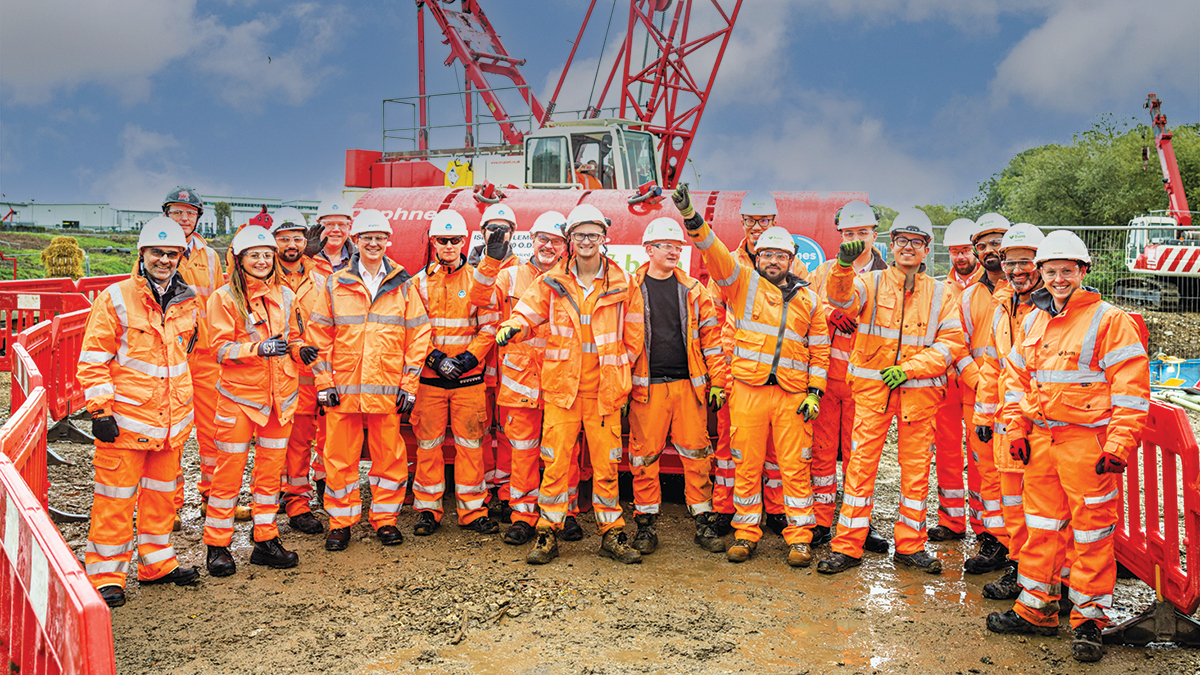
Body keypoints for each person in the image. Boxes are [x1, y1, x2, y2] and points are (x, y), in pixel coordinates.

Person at [987, 230, 1149, 663]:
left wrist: (1118, 444)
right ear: (1042, 273)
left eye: (1067, 270)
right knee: (1041, 528)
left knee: (1092, 533)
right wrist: (1016, 428)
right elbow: (1018, 380)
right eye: (1051, 271)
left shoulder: (1110, 319)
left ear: (1083, 271)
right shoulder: (1035, 320)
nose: (1059, 278)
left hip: (1087, 445)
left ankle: (1089, 620)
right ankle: (1036, 609)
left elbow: (1131, 390)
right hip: (1042, 440)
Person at [673, 185, 830, 566]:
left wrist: (815, 391)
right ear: (756, 256)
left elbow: (819, 349)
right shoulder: (740, 283)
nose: (773, 260)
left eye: (780, 255)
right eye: (767, 254)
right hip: (747, 391)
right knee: (746, 464)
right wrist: (692, 217)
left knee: (794, 467)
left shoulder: (808, 299)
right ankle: (746, 533)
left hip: (792, 396)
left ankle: (799, 538)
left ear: (791, 259)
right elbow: (714, 252)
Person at [817, 208, 969, 575]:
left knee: (915, 473)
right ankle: (848, 546)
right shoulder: (868, 284)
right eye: (902, 241)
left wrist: (910, 369)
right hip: (871, 394)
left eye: (916, 242)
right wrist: (841, 267)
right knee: (860, 470)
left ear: (926, 248)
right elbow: (841, 301)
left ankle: (910, 546)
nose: (908, 248)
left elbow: (951, 344)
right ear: (892, 244)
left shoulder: (940, 294)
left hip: (919, 395)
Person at [496, 203, 645, 565]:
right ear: (570, 240)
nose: (587, 241)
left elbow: (635, 335)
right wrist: (515, 326)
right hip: (563, 389)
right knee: (556, 462)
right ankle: (548, 533)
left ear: (604, 238)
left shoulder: (623, 283)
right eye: (580, 235)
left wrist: (621, 374)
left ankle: (612, 534)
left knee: (607, 466)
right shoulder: (552, 281)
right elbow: (528, 310)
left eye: (593, 235)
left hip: (603, 390)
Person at [78, 216, 202, 607]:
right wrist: (100, 411)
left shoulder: (188, 301)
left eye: (172, 253)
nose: (164, 260)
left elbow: (185, 355)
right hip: (126, 422)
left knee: (161, 498)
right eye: (157, 253)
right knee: (115, 500)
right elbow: (94, 358)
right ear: (142, 254)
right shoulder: (115, 297)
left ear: (181, 256)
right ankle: (106, 576)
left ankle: (157, 563)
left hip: (169, 423)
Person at [307, 209, 432, 551]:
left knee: (389, 457)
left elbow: (418, 336)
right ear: (356, 241)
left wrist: (409, 385)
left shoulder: (402, 284)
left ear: (388, 241)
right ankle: (341, 522)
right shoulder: (336, 282)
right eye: (367, 238)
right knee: (339, 458)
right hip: (342, 390)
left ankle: (386, 520)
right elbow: (319, 335)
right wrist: (324, 383)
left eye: (380, 237)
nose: (374, 243)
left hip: (386, 388)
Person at [470, 211, 590, 544]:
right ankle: (522, 515)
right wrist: (490, 263)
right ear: (532, 240)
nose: (548, 246)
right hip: (521, 379)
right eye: (543, 239)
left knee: (561, 451)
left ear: (564, 246)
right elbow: (479, 298)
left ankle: (562, 515)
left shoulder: (572, 281)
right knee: (523, 451)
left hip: (559, 379)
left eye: (555, 241)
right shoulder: (509, 277)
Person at [203, 225, 312, 576]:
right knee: (228, 475)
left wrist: (300, 349)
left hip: (280, 399)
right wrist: (257, 348)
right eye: (255, 255)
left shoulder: (286, 296)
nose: (263, 260)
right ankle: (217, 546)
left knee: (268, 475)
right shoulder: (223, 298)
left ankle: (265, 540)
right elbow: (218, 349)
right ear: (240, 259)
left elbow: (292, 337)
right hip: (239, 399)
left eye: (267, 255)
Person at [973, 223, 1066, 602]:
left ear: (1040, 264)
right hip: (1008, 426)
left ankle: (1055, 584)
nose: (1016, 270)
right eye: (1010, 263)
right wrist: (983, 415)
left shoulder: (1058, 307)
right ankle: (1021, 570)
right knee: (1014, 508)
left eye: (1025, 262)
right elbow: (993, 365)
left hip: (1044, 428)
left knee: (1048, 512)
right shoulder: (1003, 305)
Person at [707, 189, 808, 538]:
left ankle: (777, 508)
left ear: (774, 222)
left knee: (778, 448)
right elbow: (713, 322)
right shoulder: (729, 264)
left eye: (763, 220)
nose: (756, 226)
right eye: (751, 220)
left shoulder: (793, 263)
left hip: (778, 376)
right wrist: (720, 378)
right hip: (737, 370)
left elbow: (805, 320)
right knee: (728, 446)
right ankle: (725, 506)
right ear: (742, 222)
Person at [628, 217, 729, 554]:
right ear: (648, 249)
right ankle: (645, 526)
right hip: (647, 387)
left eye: (677, 246)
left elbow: (712, 341)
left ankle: (703, 524)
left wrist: (718, 380)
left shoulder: (693, 290)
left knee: (698, 457)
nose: (673, 251)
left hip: (688, 387)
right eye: (666, 246)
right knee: (644, 458)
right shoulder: (631, 288)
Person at [805, 200, 890, 552]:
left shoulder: (887, 278)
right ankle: (823, 520)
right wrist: (828, 311)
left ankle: (859, 523)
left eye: (862, 233)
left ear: (874, 234)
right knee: (822, 455)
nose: (856, 239)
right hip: (826, 378)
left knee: (860, 457)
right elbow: (806, 303)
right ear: (839, 235)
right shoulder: (824, 271)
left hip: (864, 382)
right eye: (849, 233)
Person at [410, 210, 499, 536]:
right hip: (431, 380)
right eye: (443, 240)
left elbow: (489, 328)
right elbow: (412, 329)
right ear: (433, 242)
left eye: (455, 240)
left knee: (471, 447)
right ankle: (428, 511)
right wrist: (434, 360)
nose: (449, 245)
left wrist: (465, 360)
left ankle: (473, 511)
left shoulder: (479, 280)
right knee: (428, 447)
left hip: (468, 379)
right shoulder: (418, 282)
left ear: (465, 241)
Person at [162, 186, 244, 525]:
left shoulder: (209, 256)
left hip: (206, 354)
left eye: (189, 213)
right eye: (177, 212)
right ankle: (169, 505)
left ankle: (215, 498)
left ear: (198, 217)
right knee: (173, 430)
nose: (184, 218)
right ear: (166, 214)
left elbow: (219, 301)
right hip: (170, 354)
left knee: (215, 430)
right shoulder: (155, 250)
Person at [956, 213, 1014, 574]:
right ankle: (997, 541)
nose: (990, 250)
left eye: (997, 243)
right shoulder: (969, 297)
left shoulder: (1027, 292)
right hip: (979, 398)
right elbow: (957, 346)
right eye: (984, 245)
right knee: (988, 475)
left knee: (1020, 476)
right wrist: (980, 382)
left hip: (1021, 400)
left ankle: (1022, 550)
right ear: (976, 251)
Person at [271, 208, 328, 535]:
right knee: (273, 445)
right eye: (283, 238)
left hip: (309, 372)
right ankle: (266, 510)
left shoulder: (320, 276)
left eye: (296, 237)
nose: (291, 244)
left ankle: (298, 505)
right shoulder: (260, 272)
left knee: (302, 442)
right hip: (274, 372)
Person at [927, 217, 979, 543]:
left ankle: (987, 528)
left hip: (977, 380)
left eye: (965, 251)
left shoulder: (993, 287)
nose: (959, 257)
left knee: (980, 453)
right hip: (947, 381)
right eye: (954, 252)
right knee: (946, 452)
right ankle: (951, 521)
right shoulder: (941, 288)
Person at [469, 203, 520, 523]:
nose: (498, 235)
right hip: (475, 365)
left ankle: (505, 490)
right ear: (482, 231)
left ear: (514, 234)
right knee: (480, 432)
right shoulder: (465, 267)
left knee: (511, 433)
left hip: (511, 367)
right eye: (492, 229)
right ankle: (484, 488)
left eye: (505, 229)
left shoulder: (520, 269)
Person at [312, 197, 356, 276]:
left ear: (349, 227)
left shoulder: (359, 260)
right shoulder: (305, 259)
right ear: (318, 225)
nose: (336, 229)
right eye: (329, 224)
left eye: (341, 224)